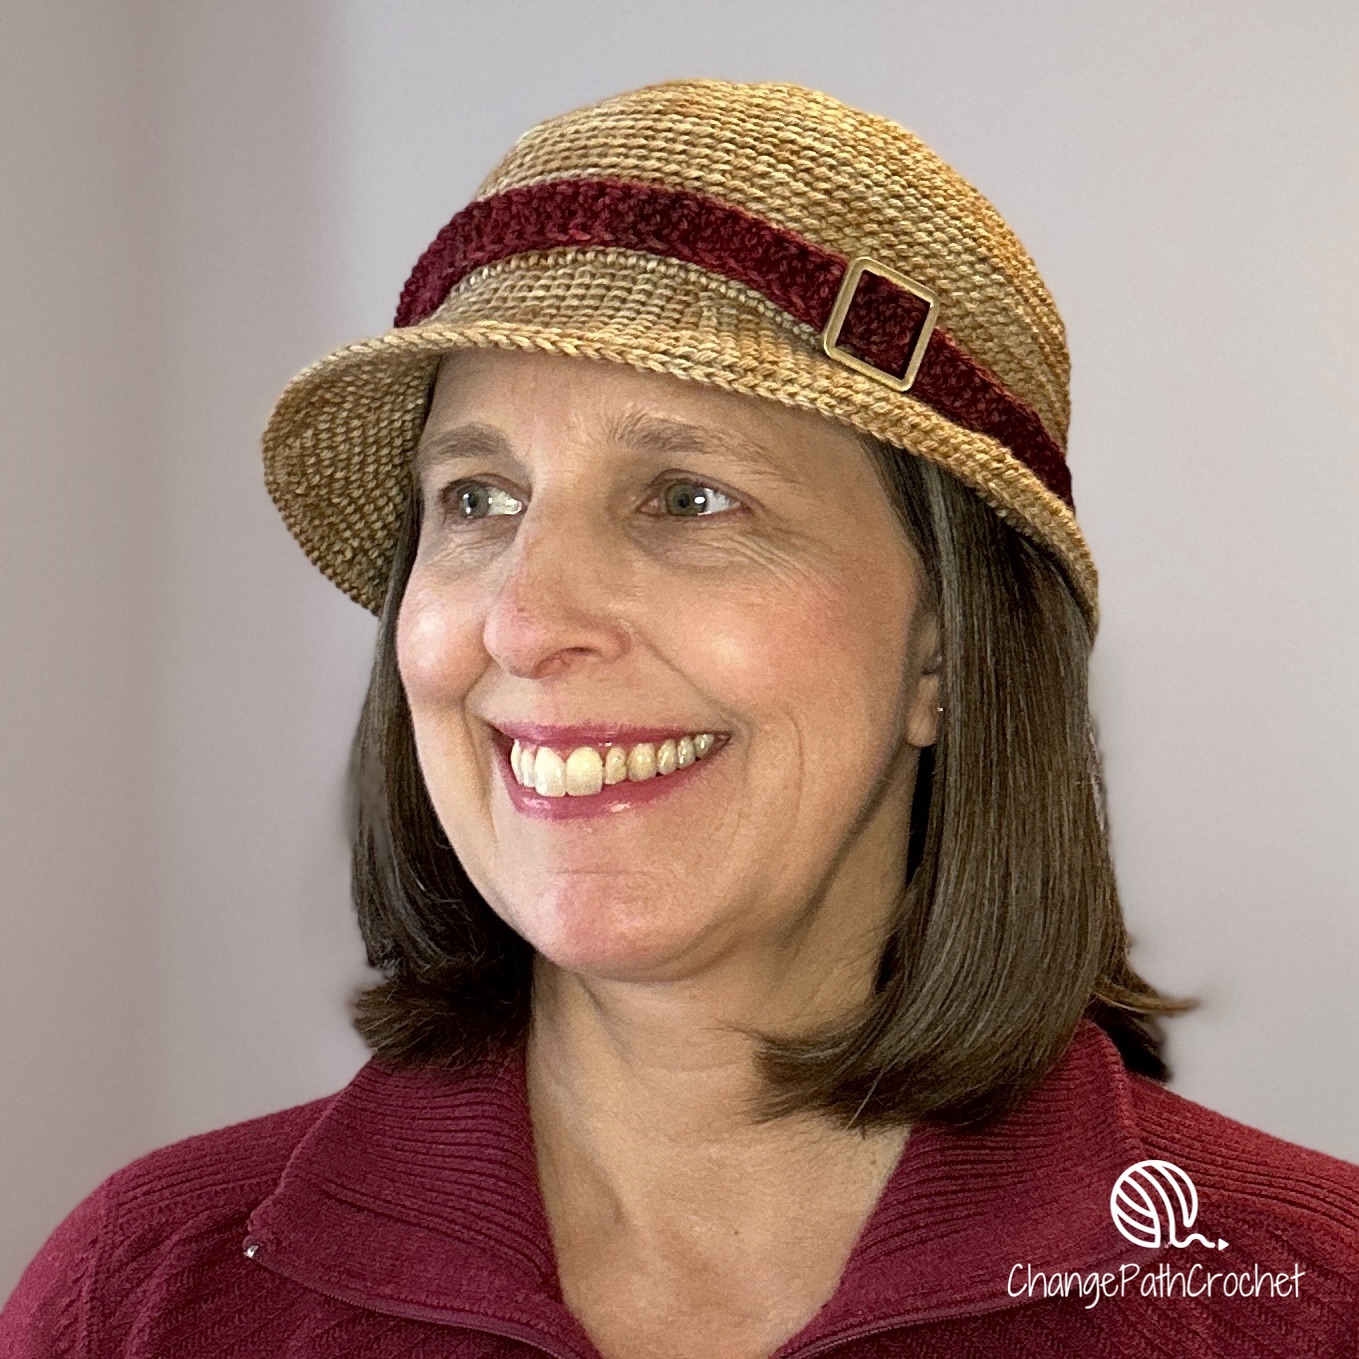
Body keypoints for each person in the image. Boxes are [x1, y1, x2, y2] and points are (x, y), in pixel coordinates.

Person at [3, 78, 1356, 1359]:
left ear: (947, 648)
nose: (527, 621)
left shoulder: (1304, 1305)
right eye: (476, 497)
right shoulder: (146, 1293)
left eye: (691, 498)